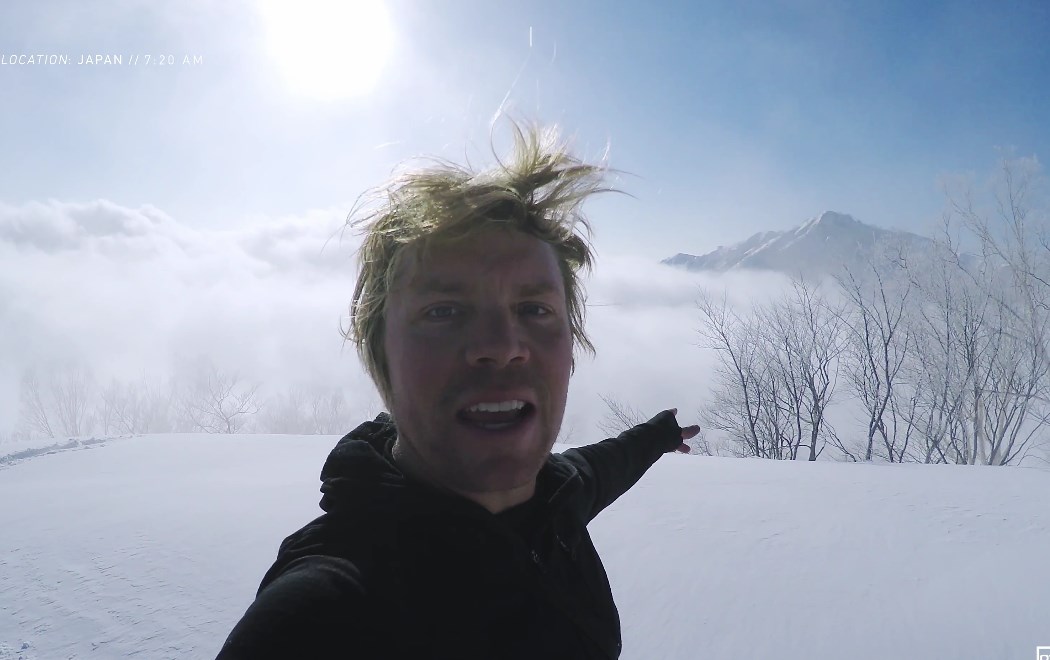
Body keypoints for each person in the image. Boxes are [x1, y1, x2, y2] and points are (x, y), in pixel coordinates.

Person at [216, 123, 700, 660]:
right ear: (381, 355)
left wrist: (659, 435)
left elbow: (604, 464)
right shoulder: (321, 614)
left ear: (570, 347)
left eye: (534, 309)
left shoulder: (555, 499)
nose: (502, 346)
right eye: (443, 311)